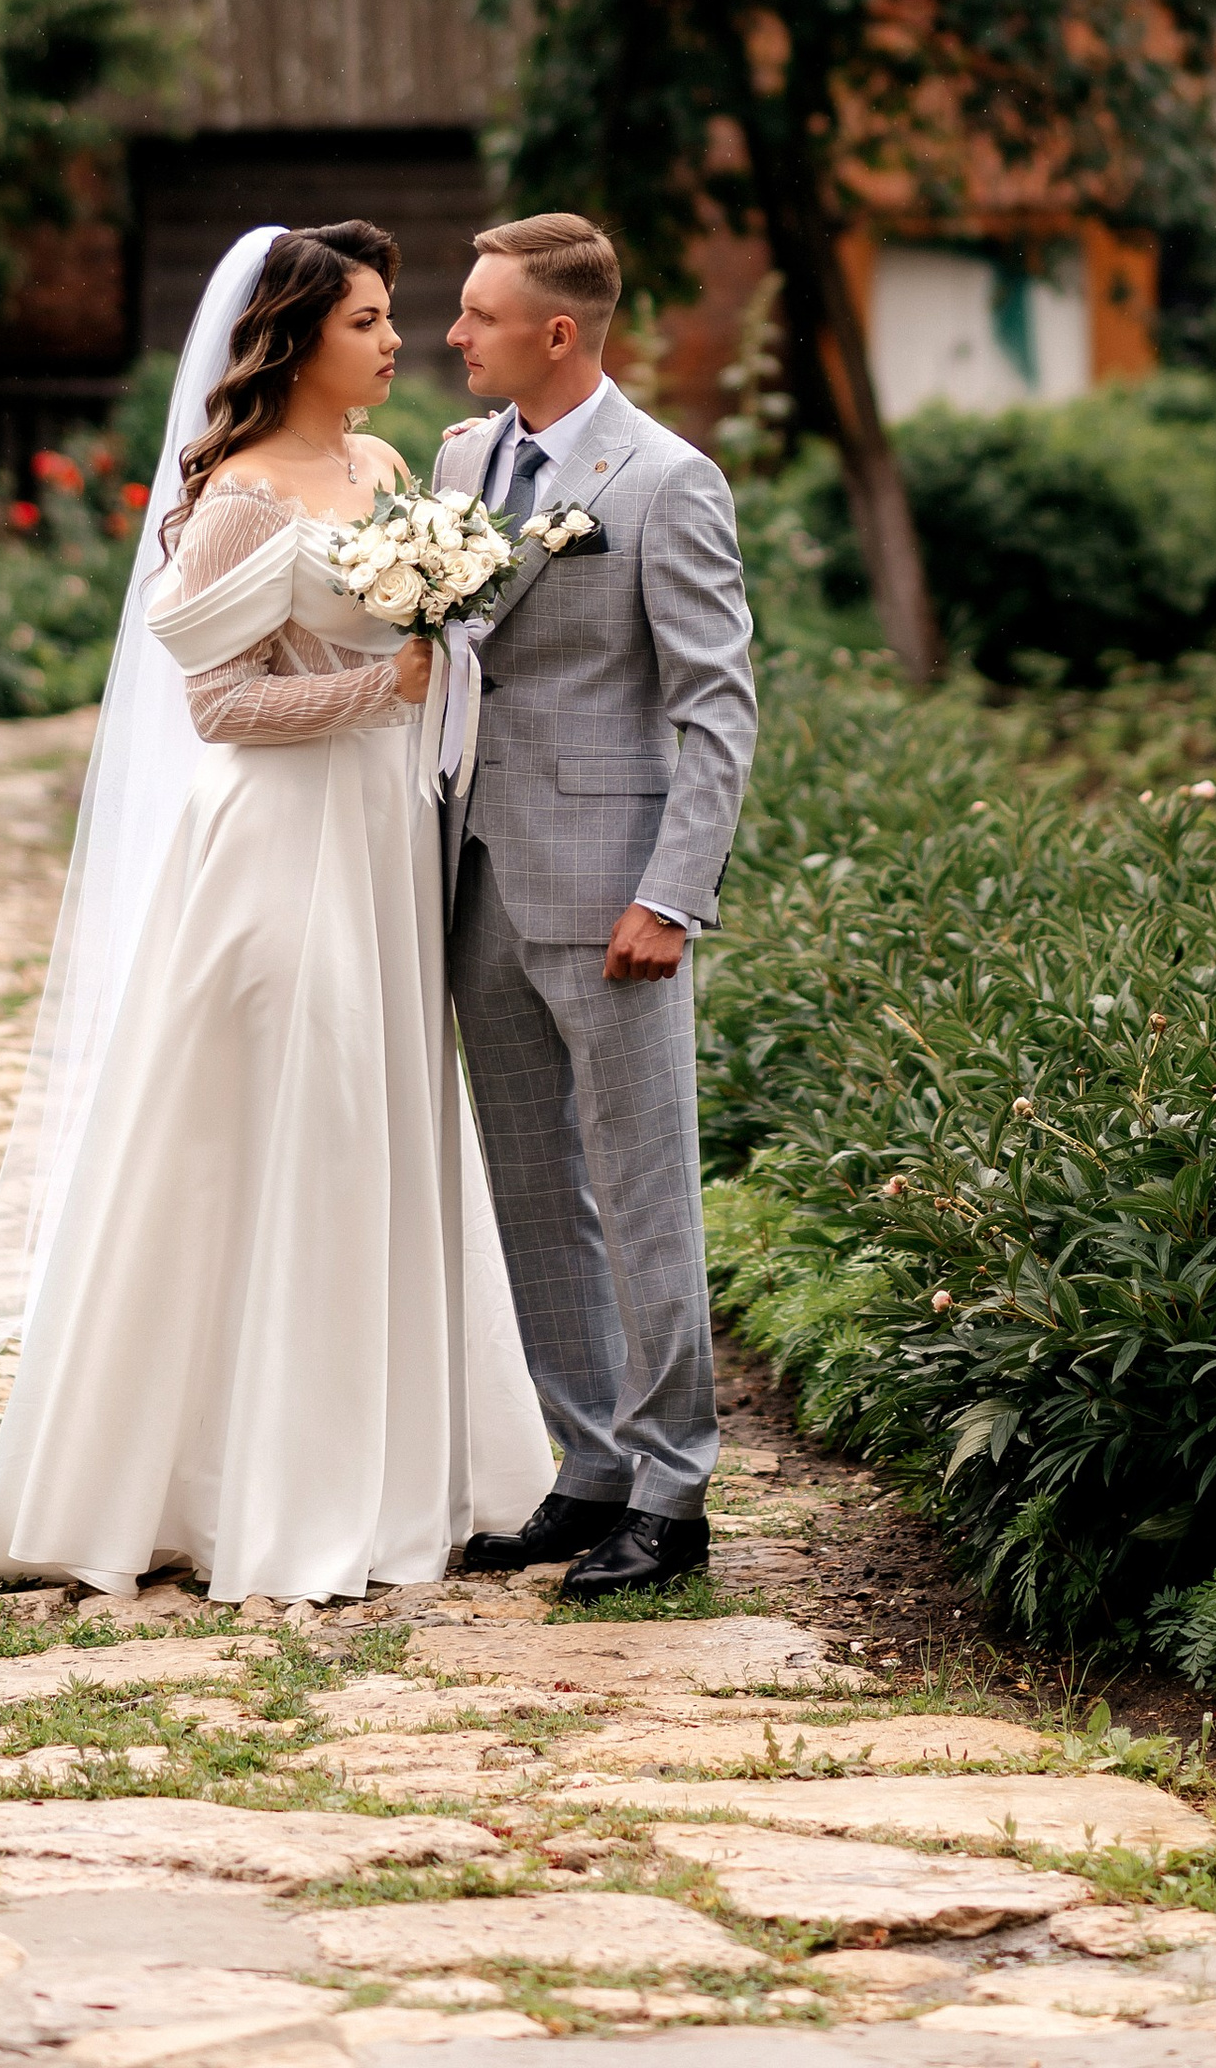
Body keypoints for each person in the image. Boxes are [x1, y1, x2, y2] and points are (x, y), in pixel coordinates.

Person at [0, 221, 551, 1606]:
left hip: (384, 839)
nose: (398, 343)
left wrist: (426, 688)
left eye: (398, 319)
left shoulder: (391, 472)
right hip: (279, 850)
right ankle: (250, 1485)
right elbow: (216, 707)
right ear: (292, 341)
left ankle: (398, 1466)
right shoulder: (236, 498)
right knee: (289, 1133)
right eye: (369, 323)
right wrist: (375, 694)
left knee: (377, 1127)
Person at [434, 212, 758, 1602]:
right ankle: (590, 1469)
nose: (452, 334)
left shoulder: (668, 482)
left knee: (642, 1195)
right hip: (475, 883)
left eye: (479, 314)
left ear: (556, 333)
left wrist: (672, 897)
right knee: (532, 1194)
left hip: (615, 895)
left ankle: (675, 1499)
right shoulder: (460, 462)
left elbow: (715, 709)